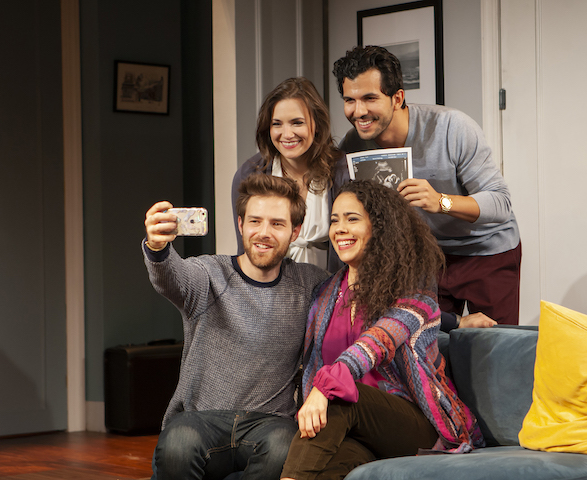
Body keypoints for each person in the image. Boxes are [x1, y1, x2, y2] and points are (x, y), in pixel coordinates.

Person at [279, 181, 486, 480]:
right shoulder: (324, 294)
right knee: (327, 469)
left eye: (352, 219)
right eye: (335, 220)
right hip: (358, 430)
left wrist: (326, 387)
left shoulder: (414, 290)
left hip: (413, 420)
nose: (340, 229)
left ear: (379, 227)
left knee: (338, 393)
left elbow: (379, 341)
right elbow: (311, 363)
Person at [143, 174, 330, 480]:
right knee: (178, 444)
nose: (264, 233)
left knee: (286, 447)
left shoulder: (310, 283)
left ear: (295, 231)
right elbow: (170, 277)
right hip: (201, 421)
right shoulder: (209, 273)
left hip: (270, 424)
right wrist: (157, 248)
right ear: (241, 224)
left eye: (277, 224)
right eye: (255, 221)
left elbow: (353, 291)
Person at [333, 45, 521, 326]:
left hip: (486, 251)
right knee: (434, 347)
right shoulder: (352, 145)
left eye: (370, 98)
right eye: (350, 100)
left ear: (397, 98)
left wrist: (441, 202)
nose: (359, 111)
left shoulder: (452, 127)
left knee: (494, 348)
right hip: (427, 256)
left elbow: (500, 203)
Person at [232, 77, 350, 271]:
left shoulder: (343, 171)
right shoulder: (249, 173)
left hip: (333, 289)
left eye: (297, 123)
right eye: (277, 124)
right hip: (271, 290)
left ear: (317, 124)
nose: (287, 134)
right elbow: (245, 251)